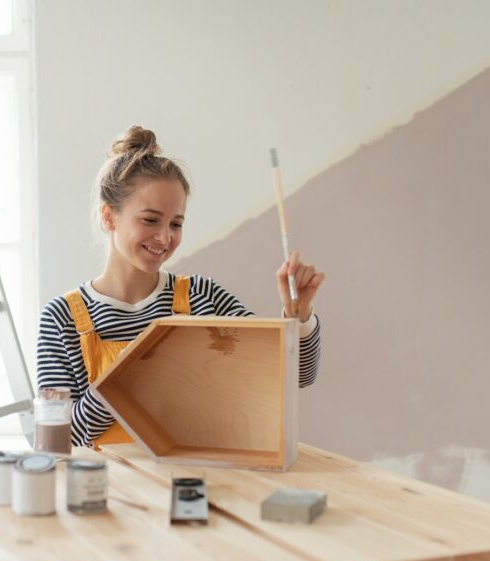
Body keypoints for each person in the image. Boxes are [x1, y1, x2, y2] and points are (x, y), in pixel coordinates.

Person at [37, 125, 325, 447]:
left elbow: (296, 375)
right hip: (107, 491)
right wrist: (126, 377)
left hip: (195, 484)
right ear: (109, 217)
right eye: (150, 220)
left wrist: (297, 316)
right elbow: (58, 440)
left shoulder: (204, 297)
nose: (165, 238)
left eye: (176, 223)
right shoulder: (61, 318)